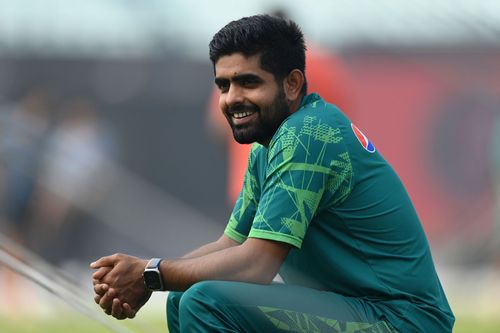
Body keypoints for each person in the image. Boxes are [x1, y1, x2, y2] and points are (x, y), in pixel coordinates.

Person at [91, 15, 455, 332]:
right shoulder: (267, 146)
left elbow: (256, 265)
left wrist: (150, 274)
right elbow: (231, 244)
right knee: (185, 296)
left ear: (293, 84)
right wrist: (149, 278)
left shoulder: (307, 133)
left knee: (206, 300)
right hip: (359, 308)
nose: (231, 98)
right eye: (223, 85)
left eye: (248, 82)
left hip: (400, 320)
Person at [207, 11, 352, 206]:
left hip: (253, 184)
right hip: (313, 185)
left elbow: (217, 126)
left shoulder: (240, 65)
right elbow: (341, 126)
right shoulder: (324, 66)